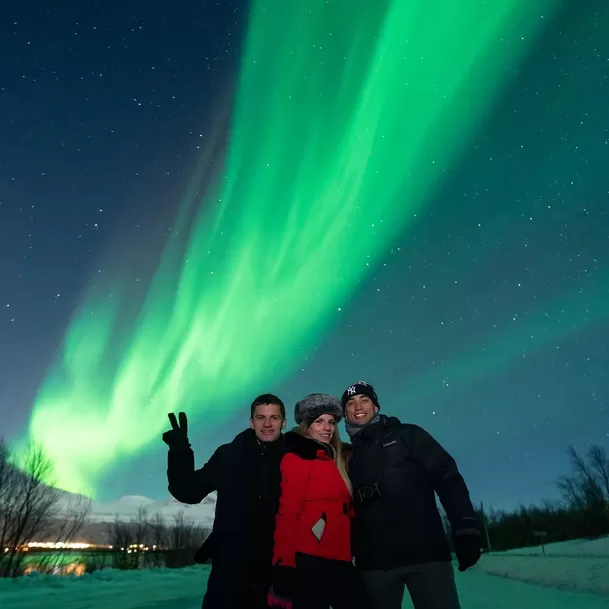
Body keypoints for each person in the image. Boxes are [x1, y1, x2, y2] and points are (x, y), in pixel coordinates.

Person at [341, 380, 481, 609]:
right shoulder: (346, 456)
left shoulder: (408, 435)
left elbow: (448, 479)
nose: (358, 406)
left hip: (426, 557)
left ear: (376, 406)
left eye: (364, 400)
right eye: (350, 402)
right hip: (375, 566)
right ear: (345, 413)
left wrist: (466, 528)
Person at [162, 393, 287, 609]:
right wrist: (179, 449)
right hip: (230, 572)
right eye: (260, 417)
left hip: (277, 574)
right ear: (251, 422)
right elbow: (188, 491)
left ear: (283, 422)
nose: (267, 424)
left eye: (274, 418)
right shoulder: (228, 455)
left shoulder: (294, 459)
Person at [269, 393, 372, 609]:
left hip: (341, 558)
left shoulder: (336, 459)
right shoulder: (297, 458)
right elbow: (287, 512)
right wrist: (283, 562)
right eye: (319, 421)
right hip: (309, 559)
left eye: (331, 422)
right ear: (307, 426)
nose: (327, 428)